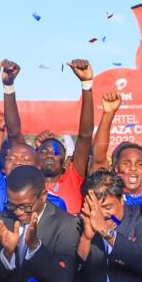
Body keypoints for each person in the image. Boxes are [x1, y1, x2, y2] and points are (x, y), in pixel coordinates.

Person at [0, 58, 67, 212]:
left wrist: (9, 86)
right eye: (12, 159)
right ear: (4, 167)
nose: (18, 162)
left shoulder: (54, 204)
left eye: (25, 159)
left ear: (38, 167)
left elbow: (14, 134)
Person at [37, 59, 96, 214]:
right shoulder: (30, 183)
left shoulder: (73, 177)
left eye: (55, 153)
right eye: (44, 152)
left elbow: (85, 136)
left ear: (65, 163)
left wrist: (86, 84)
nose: (49, 155)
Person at [91, 91, 142, 205]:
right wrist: (108, 114)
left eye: (140, 164)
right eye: (126, 163)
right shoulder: (108, 192)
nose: (133, 168)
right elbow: (98, 158)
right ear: (116, 168)